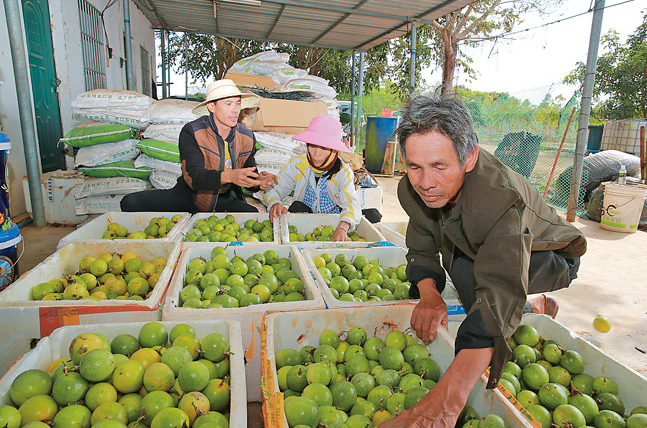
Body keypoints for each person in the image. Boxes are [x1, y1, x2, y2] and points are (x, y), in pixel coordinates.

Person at [381, 94, 587, 427]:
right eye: (414, 165)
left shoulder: (496, 200)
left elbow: (497, 291)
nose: (426, 182)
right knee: (460, 267)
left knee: (478, 289)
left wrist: (447, 403)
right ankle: (530, 306)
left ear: (470, 157)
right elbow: (421, 244)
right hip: (485, 244)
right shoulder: (413, 187)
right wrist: (431, 297)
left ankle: (524, 303)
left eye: (439, 166)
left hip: (549, 256)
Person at [121, 79, 276, 213]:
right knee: (130, 202)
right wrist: (229, 176)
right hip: (188, 196)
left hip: (221, 199)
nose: (235, 110)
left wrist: (258, 182)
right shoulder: (193, 132)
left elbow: (248, 177)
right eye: (228, 103)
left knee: (250, 213)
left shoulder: (246, 138)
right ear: (211, 107)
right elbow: (193, 177)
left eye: (238, 103)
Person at [262, 115, 381, 241]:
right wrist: (275, 203)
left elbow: (350, 203)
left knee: (373, 215)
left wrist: (342, 227)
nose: (317, 154)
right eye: (313, 146)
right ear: (307, 146)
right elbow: (273, 189)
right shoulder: (298, 165)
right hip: (308, 221)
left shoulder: (342, 171)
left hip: (335, 219)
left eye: (323, 148)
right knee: (296, 206)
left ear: (333, 150)